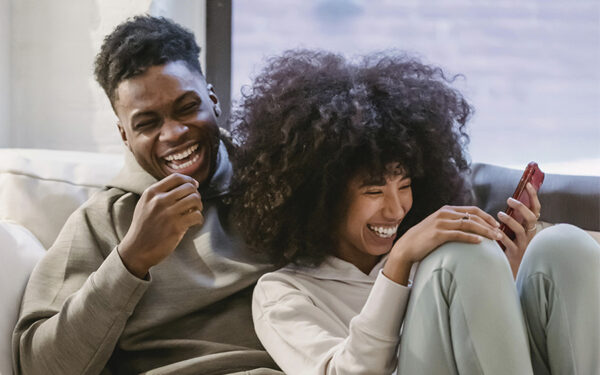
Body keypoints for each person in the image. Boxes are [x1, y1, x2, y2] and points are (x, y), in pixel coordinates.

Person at [229, 50, 600, 374]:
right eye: (374, 190)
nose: (395, 208)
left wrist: (511, 275)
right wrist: (400, 262)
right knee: (459, 256)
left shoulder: (438, 261)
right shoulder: (283, 292)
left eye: (404, 185)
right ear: (319, 196)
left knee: (563, 246)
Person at [12, 16, 281, 375]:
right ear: (124, 135)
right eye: (147, 123)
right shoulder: (102, 221)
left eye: (187, 108)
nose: (173, 133)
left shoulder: (280, 181)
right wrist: (131, 260)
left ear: (213, 99)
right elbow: (40, 366)